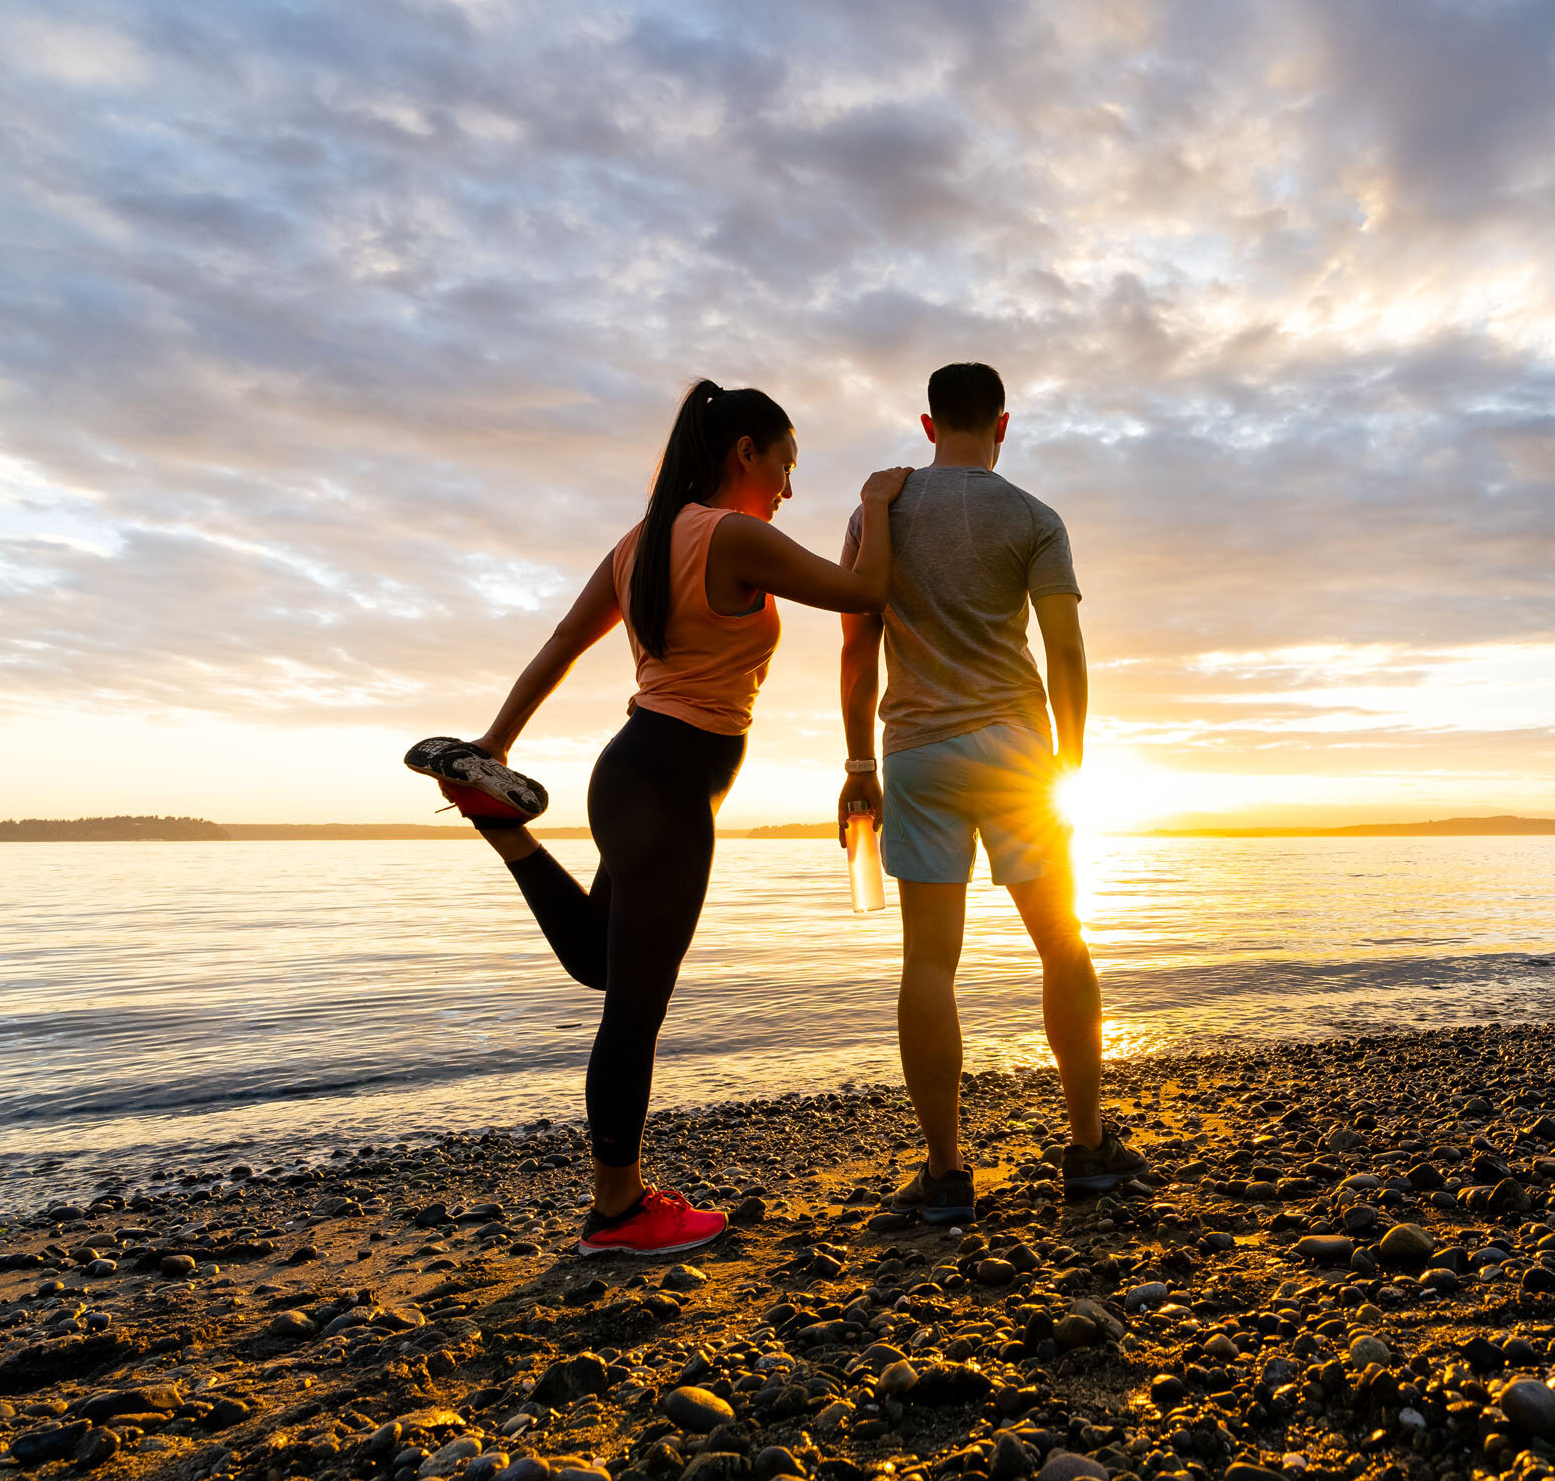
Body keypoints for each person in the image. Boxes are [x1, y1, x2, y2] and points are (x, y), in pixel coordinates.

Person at [406, 380, 910, 1257]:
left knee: (600, 966)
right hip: (670, 784)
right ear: (744, 453)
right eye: (786, 465)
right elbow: (868, 591)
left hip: (632, 770)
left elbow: (562, 642)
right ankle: (618, 1212)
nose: (789, 487)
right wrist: (873, 503)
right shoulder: (734, 535)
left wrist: (496, 742)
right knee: (632, 1010)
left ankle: (500, 820)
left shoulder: (637, 544)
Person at [839, 362, 1147, 1224]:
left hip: (917, 754)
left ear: (930, 425)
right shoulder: (1035, 519)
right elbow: (1068, 655)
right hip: (1018, 753)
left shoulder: (880, 510)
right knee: (1061, 943)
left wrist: (859, 766)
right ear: (1002, 425)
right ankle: (1086, 1151)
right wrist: (1073, 769)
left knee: (930, 962)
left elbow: (856, 653)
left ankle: (945, 1177)